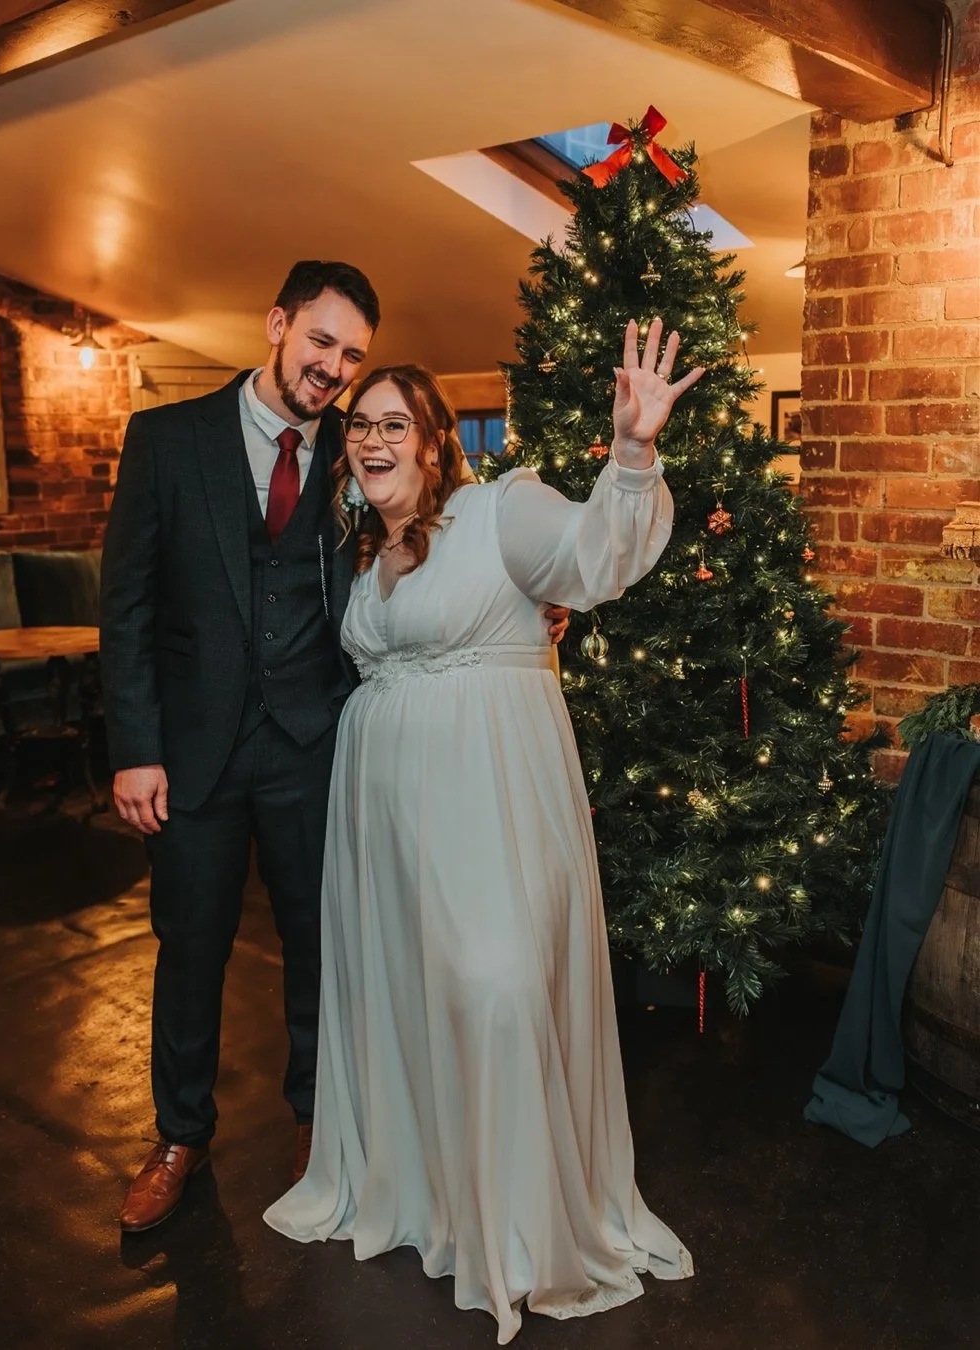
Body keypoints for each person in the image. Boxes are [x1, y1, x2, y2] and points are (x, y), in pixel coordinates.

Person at [100, 260, 569, 1233]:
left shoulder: (358, 458)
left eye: (352, 356)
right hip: (190, 755)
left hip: (314, 744)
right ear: (275, 324)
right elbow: (129, 604)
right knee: (189, 948)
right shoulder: (166, 438)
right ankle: (181, 1135)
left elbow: (438, 533)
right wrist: (135, 747)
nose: (334, 369)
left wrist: (530, 600)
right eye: (321, 342)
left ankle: (326, 1125)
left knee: (327, 945)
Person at [263, 318, 704, 1342]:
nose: (370, 437)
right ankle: (432, 1198)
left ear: (431, 442)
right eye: (357, 424)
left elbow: (595, 562)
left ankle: (517, 1222)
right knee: (408, 998)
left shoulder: (500, 509)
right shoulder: (364, 561)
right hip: (387, 829)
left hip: (491, 806)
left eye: (393, 421)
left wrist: (632, 453)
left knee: (499, 986)